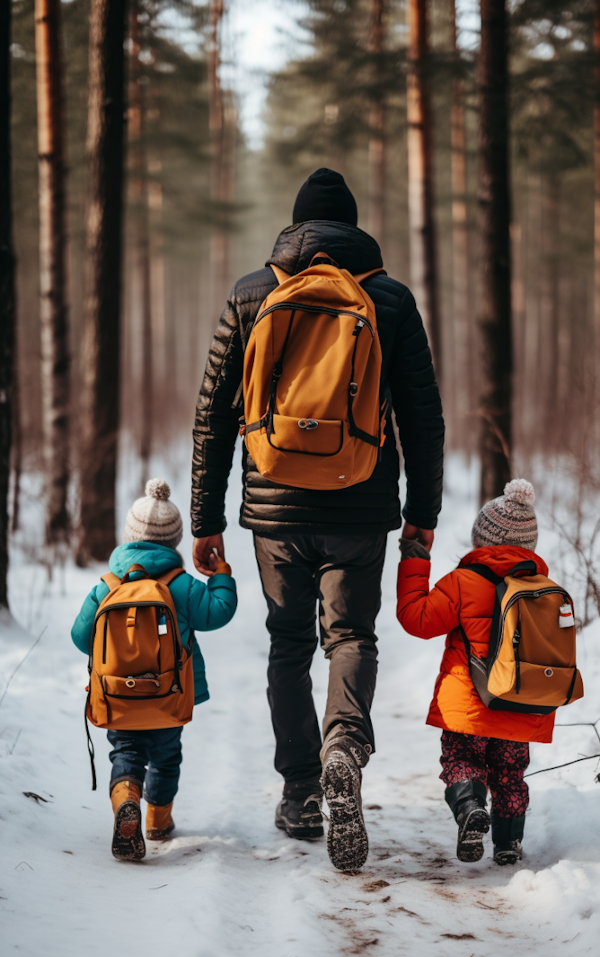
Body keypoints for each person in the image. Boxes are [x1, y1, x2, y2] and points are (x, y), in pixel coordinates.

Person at [191, 167, 444, 872]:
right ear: (355, 228)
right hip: (361, 503)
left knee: (287, 644)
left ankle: (302, 788)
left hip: (274, 504)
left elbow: (212, 417)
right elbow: (424, 418)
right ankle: (344, 749)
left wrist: (205, 520)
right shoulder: (388, 298)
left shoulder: (251, 294)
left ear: (294, 228)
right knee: (352, 636)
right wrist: (422, 515)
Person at [71, 479, 237, 860]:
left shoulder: (107, 587)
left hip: (118, 696)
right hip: (168, 697)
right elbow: (219, 612)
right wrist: (221, 574)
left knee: (126, 754)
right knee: (166, 757)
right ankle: (157, 822)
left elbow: (81, 638)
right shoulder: (179, 585)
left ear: (128, 537)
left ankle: (126, 802)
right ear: (174, 541)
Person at [397, 479, 552, 866]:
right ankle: (507, 843)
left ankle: (469, 809)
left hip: (469, 704)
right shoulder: (545, 590)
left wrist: (414, 560)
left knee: (462, 759)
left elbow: (416, 619)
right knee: (510, 773)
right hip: (521, 705)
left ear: (482, 538)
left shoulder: (463, 583)